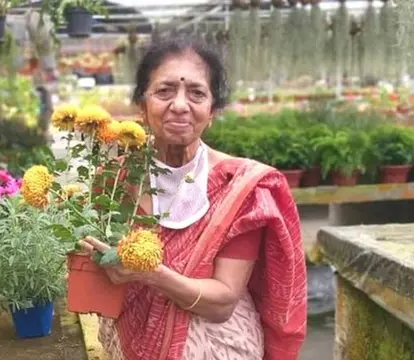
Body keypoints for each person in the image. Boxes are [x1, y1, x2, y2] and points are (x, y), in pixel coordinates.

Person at [78, 37, 307, 360]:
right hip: (128, 345)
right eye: (165, 91)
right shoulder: (114, 182)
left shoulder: (239, 188)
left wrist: (152, 274)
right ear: (143, 106)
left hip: (219, 347)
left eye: (196, 93)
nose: (180, 105)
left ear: (211, 110)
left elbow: (223, 302)